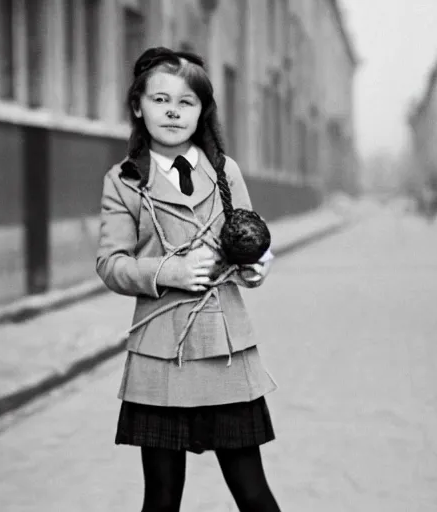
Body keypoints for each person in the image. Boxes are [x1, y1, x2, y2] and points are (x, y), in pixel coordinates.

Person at [96, 47, 281, 511]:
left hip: (225, 350)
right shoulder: (123, 181)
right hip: (161, 353)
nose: (174, 111)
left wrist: (257, 267)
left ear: (203, 111)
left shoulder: (225, 171)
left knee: (254, 493)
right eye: (160, 100)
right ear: (137, 106)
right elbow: (110, 263)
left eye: (187, 102)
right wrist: (167, 270)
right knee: (160, 497)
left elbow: (247, 240)